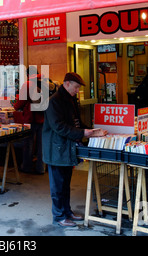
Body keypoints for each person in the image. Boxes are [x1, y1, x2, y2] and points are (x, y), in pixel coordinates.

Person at [42, 72, 107, 227]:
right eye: (76, 87)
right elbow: (59, 127)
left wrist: (92, 131)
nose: (77, 90)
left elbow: (76, 123)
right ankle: (59, 216)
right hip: (56, 150)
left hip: (66, 149)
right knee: (57, 186)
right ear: (67, 84)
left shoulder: (70, 100)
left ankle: (67, 212)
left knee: (65, 184)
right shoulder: (53, 102)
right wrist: (84, 133)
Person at [13, 66, 46, 174]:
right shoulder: (43, 83)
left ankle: (26, 166)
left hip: (30, 118)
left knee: (28, 143)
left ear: (27, 75)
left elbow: (20, 103)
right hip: (42, 117)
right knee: (41, 145)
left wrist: (15, 105)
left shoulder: (27, 85)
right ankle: (41, 168)